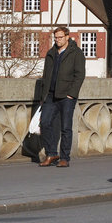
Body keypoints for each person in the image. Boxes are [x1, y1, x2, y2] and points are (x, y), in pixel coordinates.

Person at [38, 26, 85, 168]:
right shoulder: (51, 53)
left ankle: (65, 158)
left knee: (66, 127)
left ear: (67, 37)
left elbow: (79, 75)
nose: (57, 40)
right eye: (56, 38)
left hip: (66, 96)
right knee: (45, 123)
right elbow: (46, 75)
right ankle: (51, 153)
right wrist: (43, 95)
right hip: (50, 95)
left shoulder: (76, 53)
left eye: (60, 37)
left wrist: (72, 94)